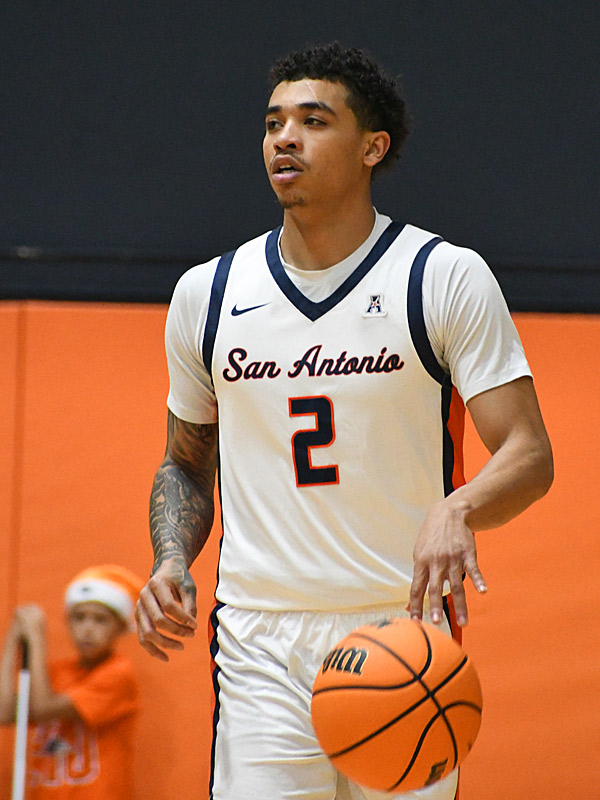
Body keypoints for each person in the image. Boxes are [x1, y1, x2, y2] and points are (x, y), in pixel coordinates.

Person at [135, 42, 553, 800]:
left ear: (372, 147)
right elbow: (185, 462)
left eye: (313, 120)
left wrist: (459, 507)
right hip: (260, 636)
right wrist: (170, 559)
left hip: (404, 627)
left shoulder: (440, 276)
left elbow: (529, 453)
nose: (284, 138)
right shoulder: (209, 294)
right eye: (273, 123)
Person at [0, 565, 142, 799]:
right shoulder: (57, 673)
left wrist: (36, 639)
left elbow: (43, 708)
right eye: (79, 618)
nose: (87, 629)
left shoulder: (118, 674)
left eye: (100, 620)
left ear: (120, 626)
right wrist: (12, 639)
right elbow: (5, 711)